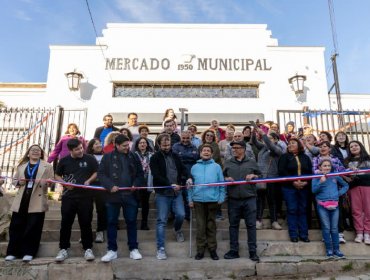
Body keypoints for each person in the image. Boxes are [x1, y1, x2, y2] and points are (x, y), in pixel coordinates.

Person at [98, 134, 145, 262]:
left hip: (130, 195)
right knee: (112, 222)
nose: (127, 148)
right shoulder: (107, 157)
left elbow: (140, 174)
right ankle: (112, 250)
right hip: (113, 195)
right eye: (124, 146)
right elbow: (101, 174)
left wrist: (136, 184)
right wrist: (110, 185)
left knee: (131, 221)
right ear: (116, 145)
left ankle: (133, 249)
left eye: (128, 145)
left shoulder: (133, 156)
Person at [5, 145, 54, 262]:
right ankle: (12, 252)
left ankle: (29, 252)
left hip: (37, 199)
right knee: (16, 226)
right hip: (21, 199)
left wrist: (47, 182)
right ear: (28, 153)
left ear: (41, 154)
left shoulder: (47, 166)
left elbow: (51, 182)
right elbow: (14, 181)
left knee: (33, 227)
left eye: (38, 150)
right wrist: (19, 182)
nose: (36, 152)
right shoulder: (22, 166)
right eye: (33, 150)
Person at [55, 139, 98, 262]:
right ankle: (63, 249)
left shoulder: (90, 158)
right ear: (70, 150)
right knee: (66, 223)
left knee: (86, 223)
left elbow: (96, 172)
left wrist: (89, 181)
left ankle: (88, 248)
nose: (80, 151)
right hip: (68, 197)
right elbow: (57, 175)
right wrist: (65, 183)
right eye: (77, 149)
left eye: (81, 148)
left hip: (86, 197)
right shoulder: (64, 160)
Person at [150, 134, 189, 260]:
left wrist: (188, 178)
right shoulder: (155, 157)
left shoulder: (176, 156)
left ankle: (177, 230)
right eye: (164, 145)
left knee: (181, 215)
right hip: (162, 194)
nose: (166, 147)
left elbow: (183, 170)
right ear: (159, 145)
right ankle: (160, 249)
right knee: (161, 220)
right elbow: (156, 175)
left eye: (168, 144)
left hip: (176, 193)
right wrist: (169, 185)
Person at [223, 140, 261, 262]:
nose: (234, 150)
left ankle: (252, 251)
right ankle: (234, 250)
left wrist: (254, 176)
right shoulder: (228, 162)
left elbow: (260, 175)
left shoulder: (251, 162)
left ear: (244, 149)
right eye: (233, 148)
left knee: (251, 225)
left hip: (249, 198)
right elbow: (221, 177)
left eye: (237, 148)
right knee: (233, 225)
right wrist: (226, 178)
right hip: (233, 199)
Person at [188, 144, 225, 261]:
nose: (206, 152)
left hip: (212, 199)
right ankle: (200, 250)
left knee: (211, 225)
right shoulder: (194, 167)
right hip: (198, 200)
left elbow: (221, 183)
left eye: (208, 151)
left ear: (212, 153)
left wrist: (221, 197)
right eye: (204, 150)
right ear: (200, 153)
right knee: (200, 226)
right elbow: (190, 185)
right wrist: (190, 199)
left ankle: (212, 249)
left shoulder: (216, 167)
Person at [312, 159, 348, 259]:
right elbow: (314, 190)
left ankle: (337, 250)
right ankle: (329, 250)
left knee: (334, 228)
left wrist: (338, 194)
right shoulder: (316, 177)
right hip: (322, 206)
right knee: (326, 228)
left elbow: (346, 185)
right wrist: (320, 182)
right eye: (324, 166)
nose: (327, 167)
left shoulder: (335, 176)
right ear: (320, 167)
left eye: (328, 166)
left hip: (335, 205)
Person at [278, 138, 312, 243]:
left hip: (304, 187)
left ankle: (304, 234)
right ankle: (293, 235)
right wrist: (293, 182)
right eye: (289, 143)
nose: (290, 145)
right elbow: (282, 171)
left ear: (299, 145)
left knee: (302, 210)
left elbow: (310, 172)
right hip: (289, 188)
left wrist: (306, 182)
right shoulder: (284, 157)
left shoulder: (305, 157)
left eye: (293, 143)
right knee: (292, 209)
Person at [251, 129, 283, 230]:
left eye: (270, 138)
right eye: (267, 138)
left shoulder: (277, 148)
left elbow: (271, 146)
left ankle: (274, 221)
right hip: (260, 178)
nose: (267, 140)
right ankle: (258, 220)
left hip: (272, 178)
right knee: (259, 200)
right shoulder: (263, 148)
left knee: (272, 200)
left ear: (276, 140)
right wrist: (254, 132)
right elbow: (255, 142)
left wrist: (263, 134)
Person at [343, 140, 370, 244]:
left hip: (367, 186)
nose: (353, 148)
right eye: (351, 147)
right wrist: (349, 172)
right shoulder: (346, 161)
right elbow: (344, 175)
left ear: (361, 146)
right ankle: (359, 233)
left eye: (356, 145)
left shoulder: (368, 158)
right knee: (356, 210)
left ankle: (367, 233)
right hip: (353, 187)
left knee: (368, 210)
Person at [172, 131, 199, 221]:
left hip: (190, 174)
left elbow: (195, 158)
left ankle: (188, 215)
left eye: (187, 138)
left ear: (191, 138)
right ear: (181, 137)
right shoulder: (176, 146)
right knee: (177, 195)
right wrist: (189, 156)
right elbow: (176, 158)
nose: (185, 140)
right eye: (183, 138)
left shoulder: (194, 147)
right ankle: (176, 215)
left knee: (188, 195)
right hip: (178, 174)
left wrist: (183, 156)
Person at [86, 138, 107, 243]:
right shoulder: (87, 157)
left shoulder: (106, 156)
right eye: (96, 144)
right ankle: (86, 233)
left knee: (101, 209)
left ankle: (100, 231)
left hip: (102, 186)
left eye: (100, 143)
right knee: (87, 210)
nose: (99, 145)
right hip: (89, 186)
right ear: (91, 147)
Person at [134, 137, 154, 230]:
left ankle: (144, 223)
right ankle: (133, 222)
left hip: (147, 182)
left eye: (144, 143)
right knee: (135, 202)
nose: (142, 144)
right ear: (137, 145)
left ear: (147, 144)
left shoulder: (151, 155)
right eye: (140, 143)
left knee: (145, 203)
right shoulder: (133, 155)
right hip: (136, 182)